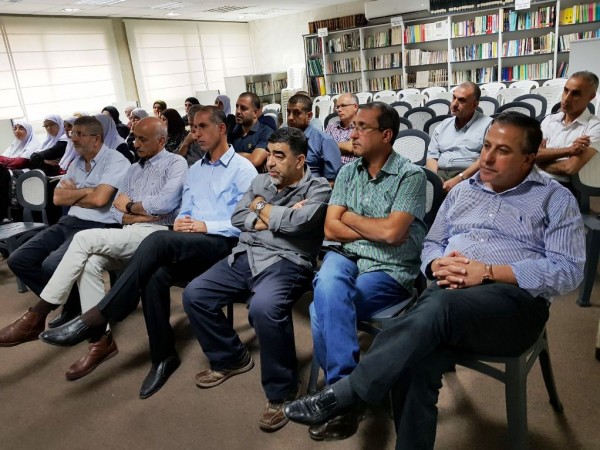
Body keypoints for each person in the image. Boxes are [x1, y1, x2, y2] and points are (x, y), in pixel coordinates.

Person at [285, 112, 586, 449]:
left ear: (529, 158)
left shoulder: (555, 199)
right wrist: (436, 264)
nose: (487, 157)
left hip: (512, 305)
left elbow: (568, 271)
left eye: (502, 151)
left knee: (433, 308)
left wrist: (488, 271)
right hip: (446, 301)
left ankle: (347, 393)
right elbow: (431, 243)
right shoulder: (462, 192)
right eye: (486, 146)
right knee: (412, 361)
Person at [39, 106, 257, 399]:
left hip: (225, 243)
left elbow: (246, 222)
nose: (196, 134)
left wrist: (205, 225)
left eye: (203, 127)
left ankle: (99, 316)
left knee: (156, 240)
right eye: (193, 128)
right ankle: (163, 357)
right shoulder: (195, 170)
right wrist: (183, 221)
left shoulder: (243, 170)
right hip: (191, 240)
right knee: (154, 274)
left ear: (221, 129)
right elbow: (184, 209)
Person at [2, 117, 187, 381]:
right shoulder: (134, 169)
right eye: (135, 138)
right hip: (130, 230)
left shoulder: (175, 163)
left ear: (161, 140)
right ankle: (101, 341)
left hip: (160, 234)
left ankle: (37, 314)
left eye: (142, 139)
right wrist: (135, 212)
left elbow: (164, 204)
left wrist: (130, 207)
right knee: (88, 263)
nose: (135, 143)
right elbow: (115, 211)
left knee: (83, 240)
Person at [182, 126, 331, 432]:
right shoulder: (261, 180)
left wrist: (260, 207)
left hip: (288, 262)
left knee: (264, 308)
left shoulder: (318, 189)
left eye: (280, 156)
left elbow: (298, 224)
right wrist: (275, 217)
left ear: (300, 160)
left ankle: (283, 390)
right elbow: (238, 217)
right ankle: (231, 358)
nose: (270, 162)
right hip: (246, 255)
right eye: (270, 154)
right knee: (195, 294)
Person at [308, 101, 427, 440]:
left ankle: (340, 396)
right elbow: (331, 228)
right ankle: (348, 395)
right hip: (346, 256)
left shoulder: (411, 176)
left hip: (389, 268)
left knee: (319, 309)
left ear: (386, 135)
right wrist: (374, 228)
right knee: (327, 283)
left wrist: (350, 218)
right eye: (353, 127)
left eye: (362, 127)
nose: (352, 134)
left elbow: (393, 234)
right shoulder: (348, 173)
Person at [0, 115, 130, 345]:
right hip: (69, 222)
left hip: (100, 225)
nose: (72, 138)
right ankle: (73, 303)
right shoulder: (77, 162)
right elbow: (58, 198)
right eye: (71, 133)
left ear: (96, 138)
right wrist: (88, 191)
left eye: (79, 134)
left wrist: (78, 193)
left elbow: (100, 200)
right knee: (19, 260)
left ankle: (63, 313)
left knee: (52, 264)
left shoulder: (116, 161)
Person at [425, 81, 493, 193]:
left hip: (470, 176)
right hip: (440, 174)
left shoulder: (489, 125)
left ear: (475, 104)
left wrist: (459, 178)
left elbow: (485, 159)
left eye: (461, 100)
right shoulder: (443, 125)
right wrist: (435, 179)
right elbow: (432, 156)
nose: (454, 104)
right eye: (454, 98)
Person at [536, 71, 600, 181]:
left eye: (575, 94)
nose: (566, 99)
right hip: (532, 178)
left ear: (591, 97)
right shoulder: (549, 120)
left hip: (559, 185)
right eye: (566, 90)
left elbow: (569, 167)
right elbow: (533, 153)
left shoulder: (595, 127)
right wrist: (569, 150)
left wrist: (538, 162)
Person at [287, 93, 342, 184]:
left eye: (296, 113)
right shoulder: (284, 139)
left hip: (313, 188)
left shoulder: (324, 141)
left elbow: (332, 181)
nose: (290, 118)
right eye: (288, 112)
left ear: (309, 116)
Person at [229, 92, 274, 170]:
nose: (238, 111)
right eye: (237, 107)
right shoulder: (233, 131)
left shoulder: (266, 132)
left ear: (255, 113)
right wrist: (247, 155)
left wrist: (229, 155)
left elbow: (255, 160)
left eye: (243, 108)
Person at [324, 93, 359, 164]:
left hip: (352, 168)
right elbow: (323, 148)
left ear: (355, 107)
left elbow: (351, 147)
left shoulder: (361, 126)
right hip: (331, 167)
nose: (339, 110)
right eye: (337, 107)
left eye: (343, 105)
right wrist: (345, 146)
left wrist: (332, 146)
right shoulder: (331, 127)